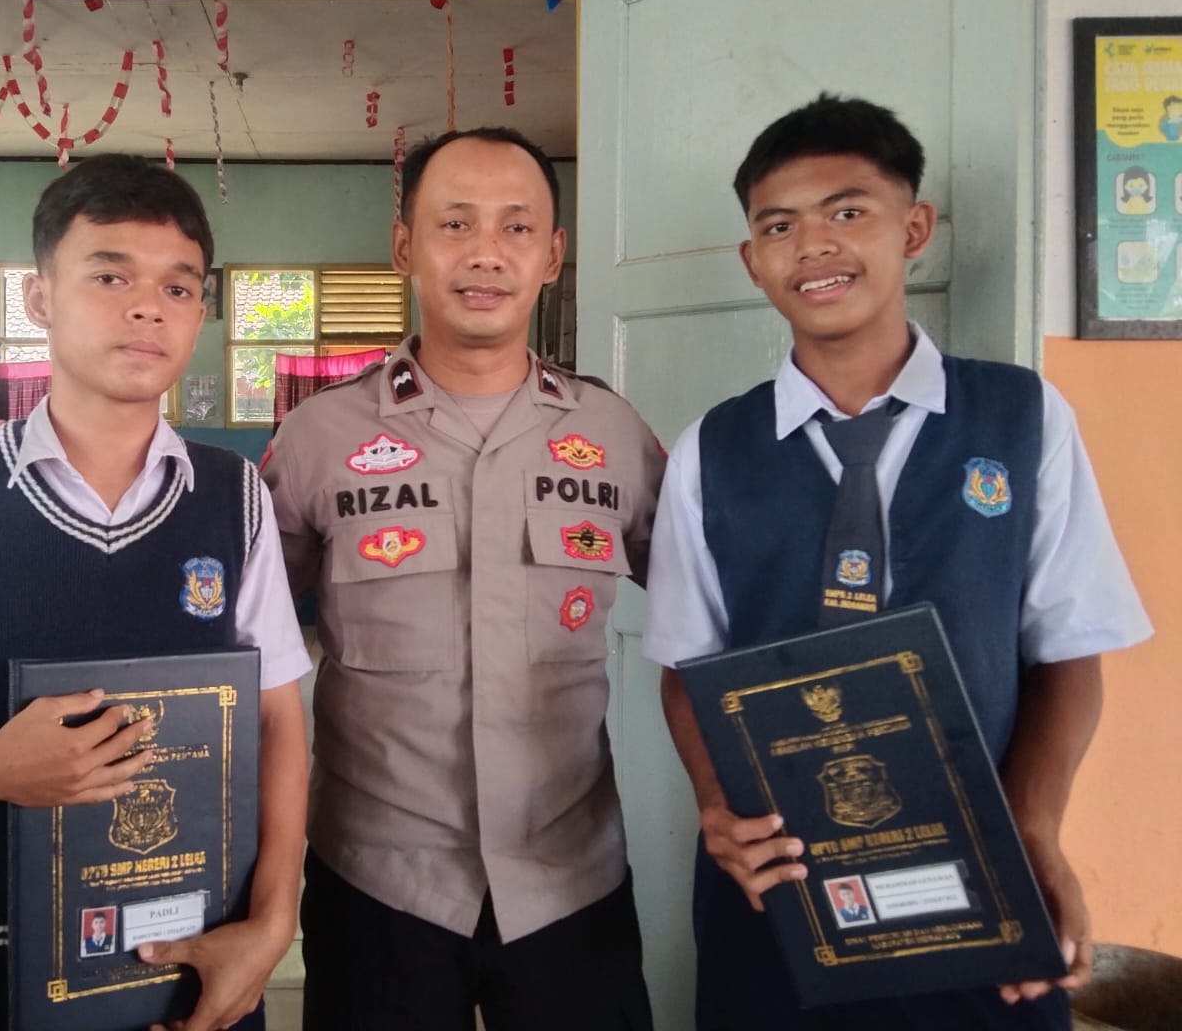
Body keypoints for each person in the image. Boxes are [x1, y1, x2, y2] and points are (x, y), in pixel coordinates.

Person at [643, 94, 1154, 1031]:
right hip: (779, 887)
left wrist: (1034, 832)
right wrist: (716, 808)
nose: (815, 246)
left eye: (848, 211)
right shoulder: (712, 451)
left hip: (981, 883)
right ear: (753, 260)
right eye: (779, 226)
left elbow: (1068, 653)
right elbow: (686, 667)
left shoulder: (1022, 418)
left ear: (913, 229)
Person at [0, 154, 312, 1031]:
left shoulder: (234, 495)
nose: (148, 307)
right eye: (110, 275)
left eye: (179, 287)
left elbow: (277, 720)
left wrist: (271, 925)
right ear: (40, 297)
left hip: (191, 951)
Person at [262, 128, 665, 1031]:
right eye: (455, 224)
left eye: (517, 227)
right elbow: (243, 652)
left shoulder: (613, 434)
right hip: (377, 880)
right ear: (404, 245)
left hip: (571, 878)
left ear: (553, 256)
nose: (486, 252)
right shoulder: (319, 439)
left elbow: (710, 616)